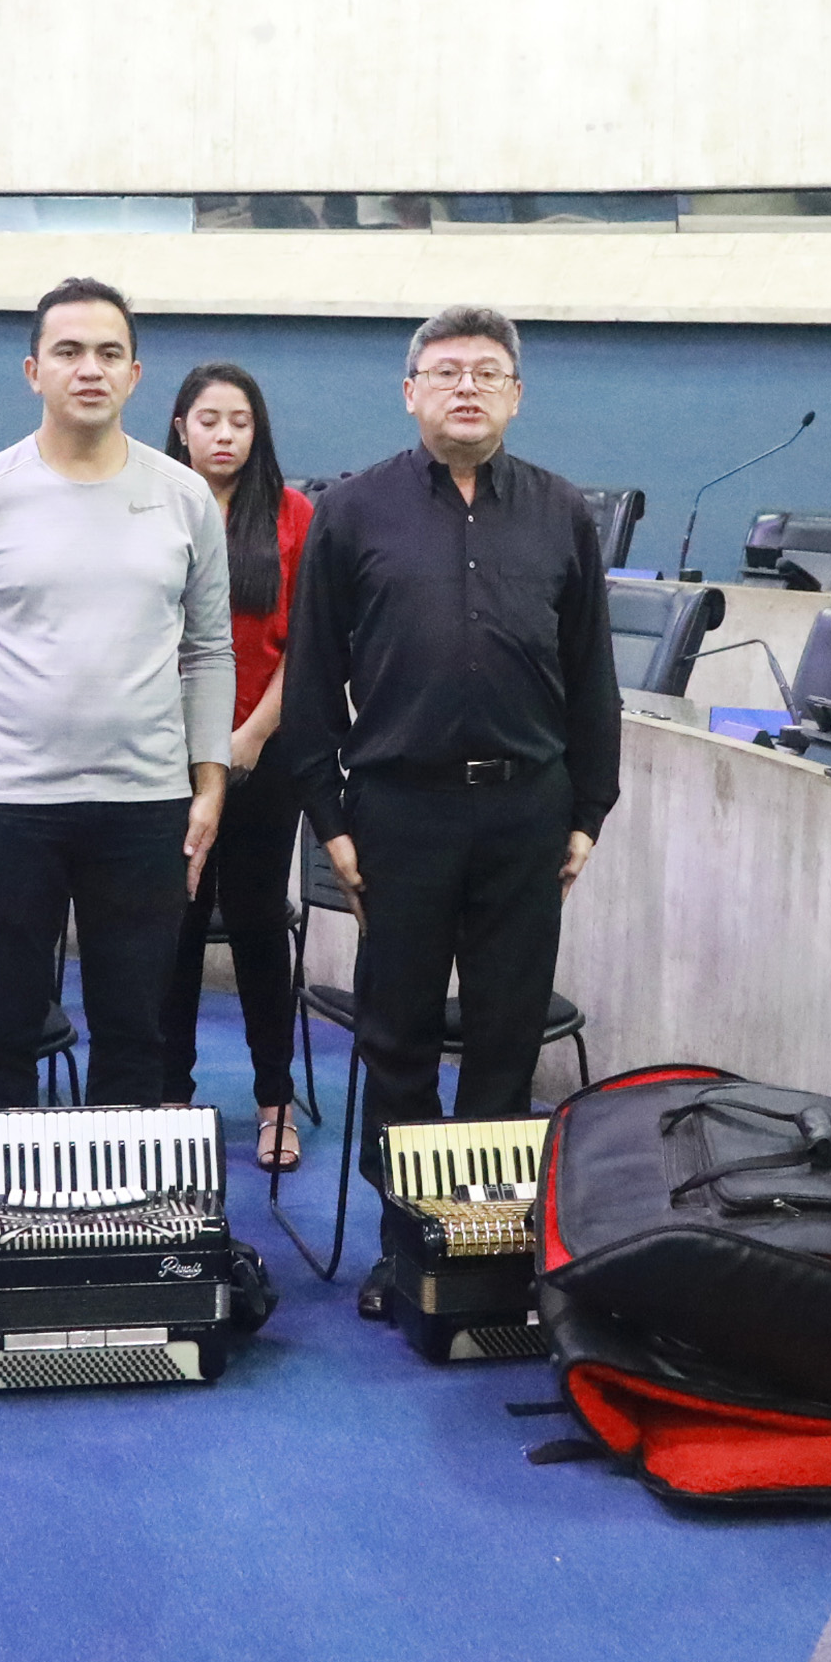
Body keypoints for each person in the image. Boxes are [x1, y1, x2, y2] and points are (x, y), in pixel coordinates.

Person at [280, 306, 620, 1290]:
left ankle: (483, 1253)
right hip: (400, 813)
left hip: (527, 813)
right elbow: (313, 681)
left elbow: (591, 675)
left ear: (516, 395)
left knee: (505, 1040)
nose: (466, 387)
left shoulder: (561, 511)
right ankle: (406, 1250)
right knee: (398, 1041)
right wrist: (330, 821)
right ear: (410, 393)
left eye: (486, 372)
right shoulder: (353, 511)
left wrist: (589, 813)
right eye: (445, 371)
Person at [0, 279, 231, 1113]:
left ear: (134, 375)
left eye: (109, 353)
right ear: (33, 371)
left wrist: (210, 780)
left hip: (145, 806)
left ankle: (123, 1197)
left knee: (136, 1036)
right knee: (2, 1033)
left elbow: (209, 650)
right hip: (7, 807)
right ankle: (0, 1196)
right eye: (69, 352)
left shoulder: (185, 496)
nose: (90, 369)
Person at [159, 362, 316, 1171]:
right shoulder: (148, 503)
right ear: (180, 426)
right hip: (161, 756)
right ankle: (170, 1098)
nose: (224, 435)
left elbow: (307, 645)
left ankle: (273, 1101)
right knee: (174, 928)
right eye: (209, 419)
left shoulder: (293, 516)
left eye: (240, 422)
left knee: (256, 926)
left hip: (263, 750)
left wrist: (249, 736)